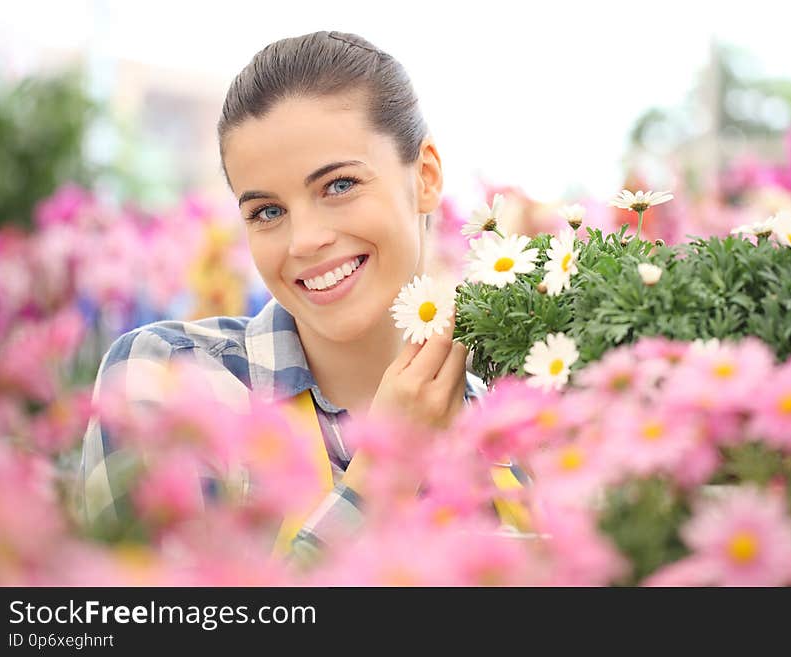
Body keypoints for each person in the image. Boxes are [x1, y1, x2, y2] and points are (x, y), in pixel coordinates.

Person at [77, 31, 514, 566]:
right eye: (267, 212)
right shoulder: (172, 378)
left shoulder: (511, 424)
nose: (304, 240)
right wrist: (384, 469)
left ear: (424, 176)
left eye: (338, 186)